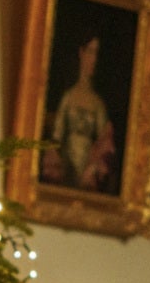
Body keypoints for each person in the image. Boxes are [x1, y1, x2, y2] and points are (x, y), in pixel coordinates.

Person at [43, 36, 117, 193]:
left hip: (88, 177)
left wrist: (91, 170)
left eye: (96, 53)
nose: (93, 59)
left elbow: (103, 143)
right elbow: (57, 136)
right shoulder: (68, 97)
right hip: (65, 171)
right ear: (81, 53)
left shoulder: (97, 104)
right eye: (90, 51)